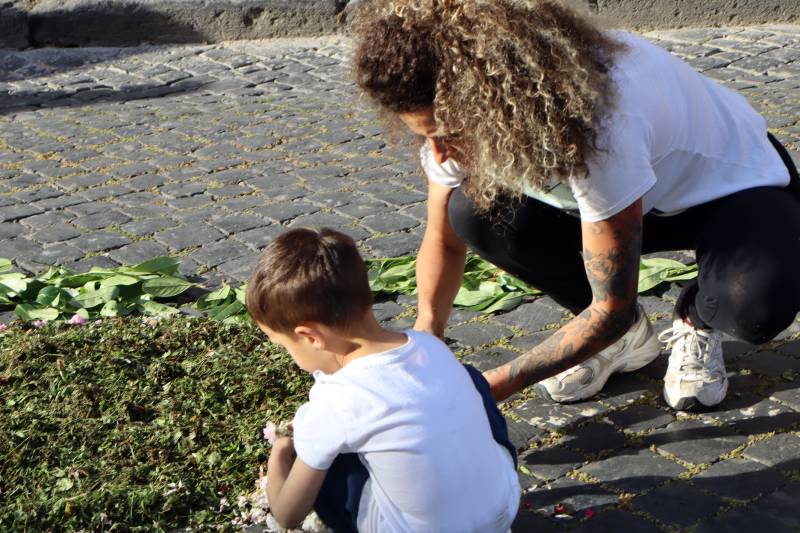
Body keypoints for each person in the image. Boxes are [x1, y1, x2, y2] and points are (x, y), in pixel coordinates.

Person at [351, 0, 800, 410]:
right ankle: (625, 344)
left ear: (494, 104)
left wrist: (488, 389)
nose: (440, 154)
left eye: (448, 133)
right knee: (471, 211)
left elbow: (612, 306)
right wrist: (427, 336)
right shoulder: (457, 125)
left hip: (732, 192)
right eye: (423, 135)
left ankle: (696, 322)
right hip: (625, 201)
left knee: (754, 303)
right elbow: (442, 241)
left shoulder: (600, 125)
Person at [245, 227, 520, 532]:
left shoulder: (335, 402)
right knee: (469, 378)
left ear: (310, 336)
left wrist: (282, 449)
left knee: (324, 458)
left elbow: (287, 514)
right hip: (501, 512)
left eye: (284, 346)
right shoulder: (429, 345)